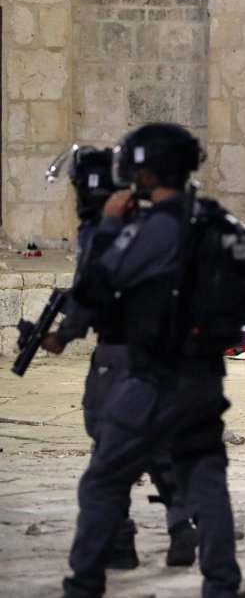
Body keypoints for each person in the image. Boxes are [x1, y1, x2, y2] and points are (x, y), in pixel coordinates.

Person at [65, 123, 241, 598]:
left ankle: (85, 583)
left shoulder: (150, 228)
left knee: (103, 477)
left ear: (148, 172)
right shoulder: (216, 220)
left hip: (153, 374)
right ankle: (221, 583)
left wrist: (109, 226)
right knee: (206, 480)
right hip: (205, 375)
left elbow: (94, 287)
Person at [42, 145, 197, 571]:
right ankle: (181, 524)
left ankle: (119, 542)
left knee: (109, 447)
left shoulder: (102, 234)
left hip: (119, 357)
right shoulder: (154, 226)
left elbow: (90, 292)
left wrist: (63, 335)